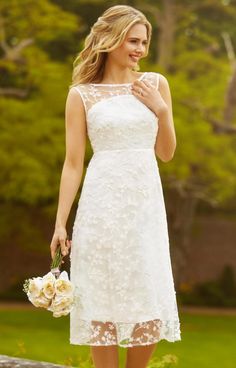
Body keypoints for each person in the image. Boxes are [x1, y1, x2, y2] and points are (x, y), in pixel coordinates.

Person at [50, 4, 181, 368]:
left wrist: (162, 110)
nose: (139, 49)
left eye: (144, 42)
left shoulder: (155, 84)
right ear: (110, 40)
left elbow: (167, 153)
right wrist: (61, 222)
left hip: (144, 207)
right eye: (132, 40)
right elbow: (73, 162)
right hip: (100, 205)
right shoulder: (81, 94)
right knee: (102, 302)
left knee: (148, 295)